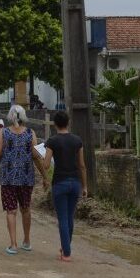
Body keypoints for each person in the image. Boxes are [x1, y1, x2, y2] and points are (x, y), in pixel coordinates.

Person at [0, 105, 49, 255]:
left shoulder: (4, 132)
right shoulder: (30, 133)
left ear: (10, 116)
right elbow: (36, 156)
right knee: (25, 209)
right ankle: (26, 241)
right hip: (26, 177)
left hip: (8, 178)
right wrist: (45, 177)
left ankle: (13, 245)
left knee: (11, 211)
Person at [40, 110, 88, 262]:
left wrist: (44, 174)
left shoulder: (52, 141)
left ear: (55, 124)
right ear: (68, 123)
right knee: (70, 217)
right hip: (75, 183)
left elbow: (46, 165)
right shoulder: (77, 141)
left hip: (60, 183)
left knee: (62, 219)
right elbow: (82, 166)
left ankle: (66, 253)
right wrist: (85, 186)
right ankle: (66, 247)